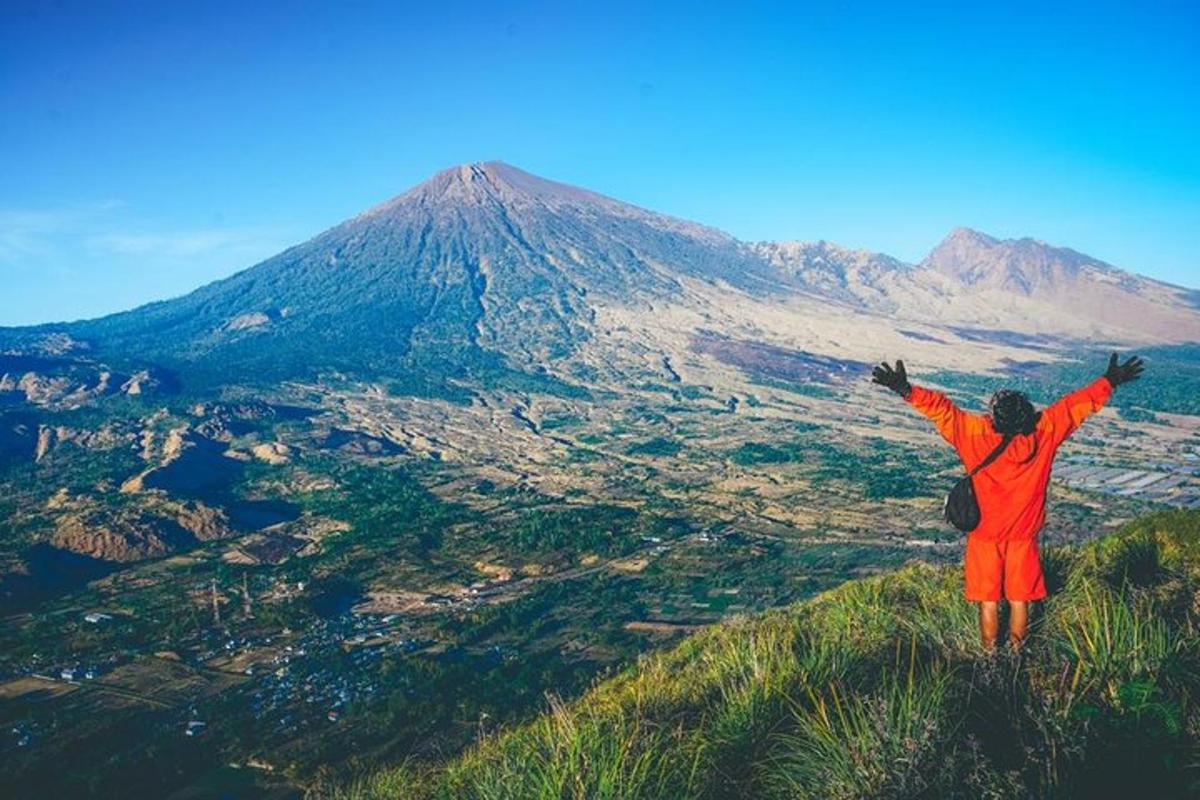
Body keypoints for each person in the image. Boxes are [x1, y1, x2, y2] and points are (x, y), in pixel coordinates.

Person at [871, 353, 1145, 651]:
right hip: (1022, 537)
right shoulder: (1043, 434)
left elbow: (942, 410)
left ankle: (990, 657)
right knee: (1019, 600)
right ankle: (1016, 655)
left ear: (996, 417)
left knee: (988, 602)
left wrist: (906, 390)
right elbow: (1074, 406)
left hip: (984, 537)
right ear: (1026, 415)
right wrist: (1110, 380)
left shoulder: (975, 435)